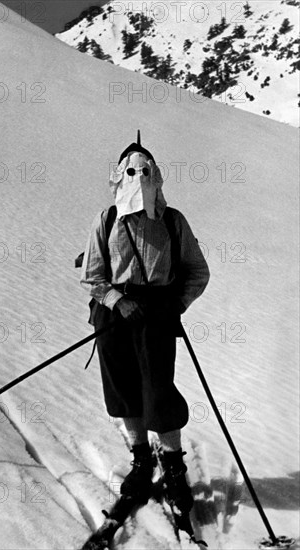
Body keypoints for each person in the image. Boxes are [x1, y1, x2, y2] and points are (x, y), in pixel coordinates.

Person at [80, 131, 210, 512]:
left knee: (159, 389)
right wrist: (117, 300)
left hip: (156, 315)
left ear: (156, 176)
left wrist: (176, 305)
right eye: (130, 170)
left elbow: (196, 272)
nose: (139, 177)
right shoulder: (105, 220)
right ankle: (142, 460)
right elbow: (92, 275)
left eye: (146, 170)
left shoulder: (172, 221)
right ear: (119, 176)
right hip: (113, 315)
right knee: (122, 388)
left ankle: (172, 467)